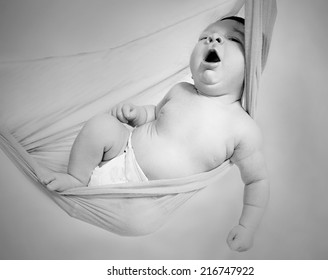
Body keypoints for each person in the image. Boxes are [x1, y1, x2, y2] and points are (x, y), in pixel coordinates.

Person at [43, 16, 269, 252]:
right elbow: (156, 114)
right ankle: (77, 178)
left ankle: (104, 205)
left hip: (148, 196)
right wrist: (137, 114)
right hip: (120, 153)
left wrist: (247, 227)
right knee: (101, 125)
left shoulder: (243, 129)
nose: (213, 38)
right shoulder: (181, 90)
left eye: (233, 39)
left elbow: (257, 180)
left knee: (143, 221)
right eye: (205, 37)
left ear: (252, 67)